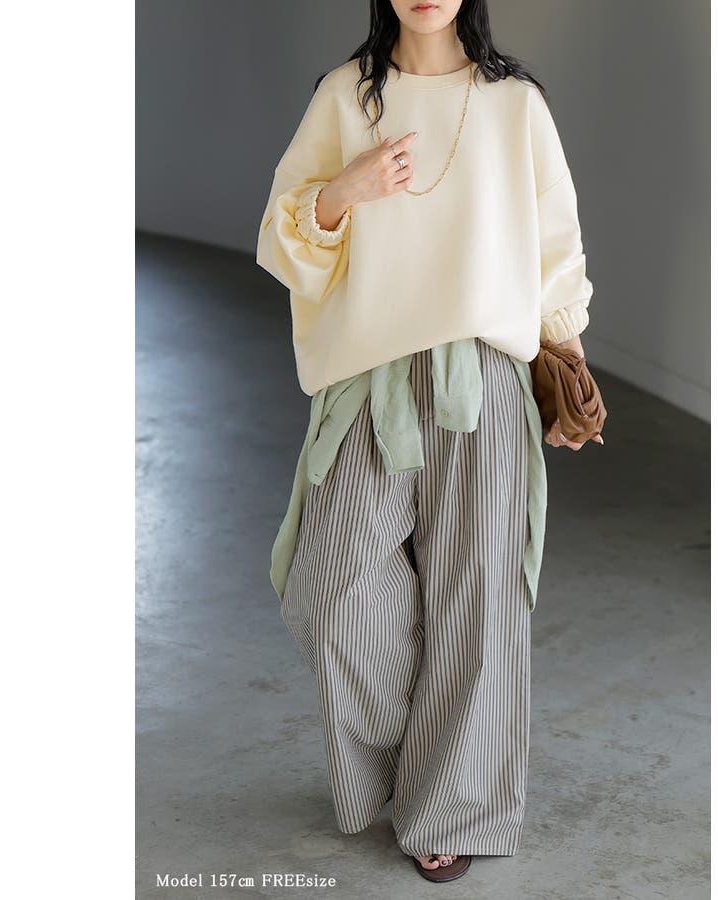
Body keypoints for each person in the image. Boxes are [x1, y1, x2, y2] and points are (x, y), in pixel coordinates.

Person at [255, 0, 602, 883]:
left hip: (482, 375)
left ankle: (451, 804)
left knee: (479, 599)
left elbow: (555, 248)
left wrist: (566, 365)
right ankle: (422, 752)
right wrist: (347, 190)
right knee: (331, 591)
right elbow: (285, 243)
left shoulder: (515, 104)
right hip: (370, 377)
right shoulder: (345, 97)